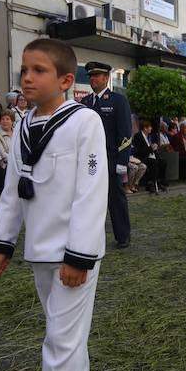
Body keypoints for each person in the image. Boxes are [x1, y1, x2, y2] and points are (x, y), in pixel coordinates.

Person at [0, 39, 107, 371]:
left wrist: (80, 255)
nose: (27, 77)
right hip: (39, 249)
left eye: (39, 70)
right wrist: (3, 241)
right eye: (24, 69)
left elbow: (91, 192)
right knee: (65, 333)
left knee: (60, 338)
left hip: (73, 253)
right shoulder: (23, 123)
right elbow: (12, 189)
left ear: (66, 80)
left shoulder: (84, 121)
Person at [82, 61, 132, 249]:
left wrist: (122, 161)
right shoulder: (86, 102)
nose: (93, 79)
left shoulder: (118, 101)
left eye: (97, 75)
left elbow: (125, 133)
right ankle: (92, 236)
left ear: (106, 78)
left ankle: (123, 236)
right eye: (91, 76)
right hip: (90, 161)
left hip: (111, 159)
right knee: (90, 201)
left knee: (116, 200)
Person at [132, 118, 167, 193]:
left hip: (150, 155)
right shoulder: (138, 136)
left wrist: (153, 148)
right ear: (145, 128)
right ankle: (150, 183)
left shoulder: (148, 136)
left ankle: (159, 180)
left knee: (163, 162)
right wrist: (151, 148)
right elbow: (140, 151)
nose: (151, 128)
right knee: (153, 162)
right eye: (150, 127)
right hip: (142, 157)